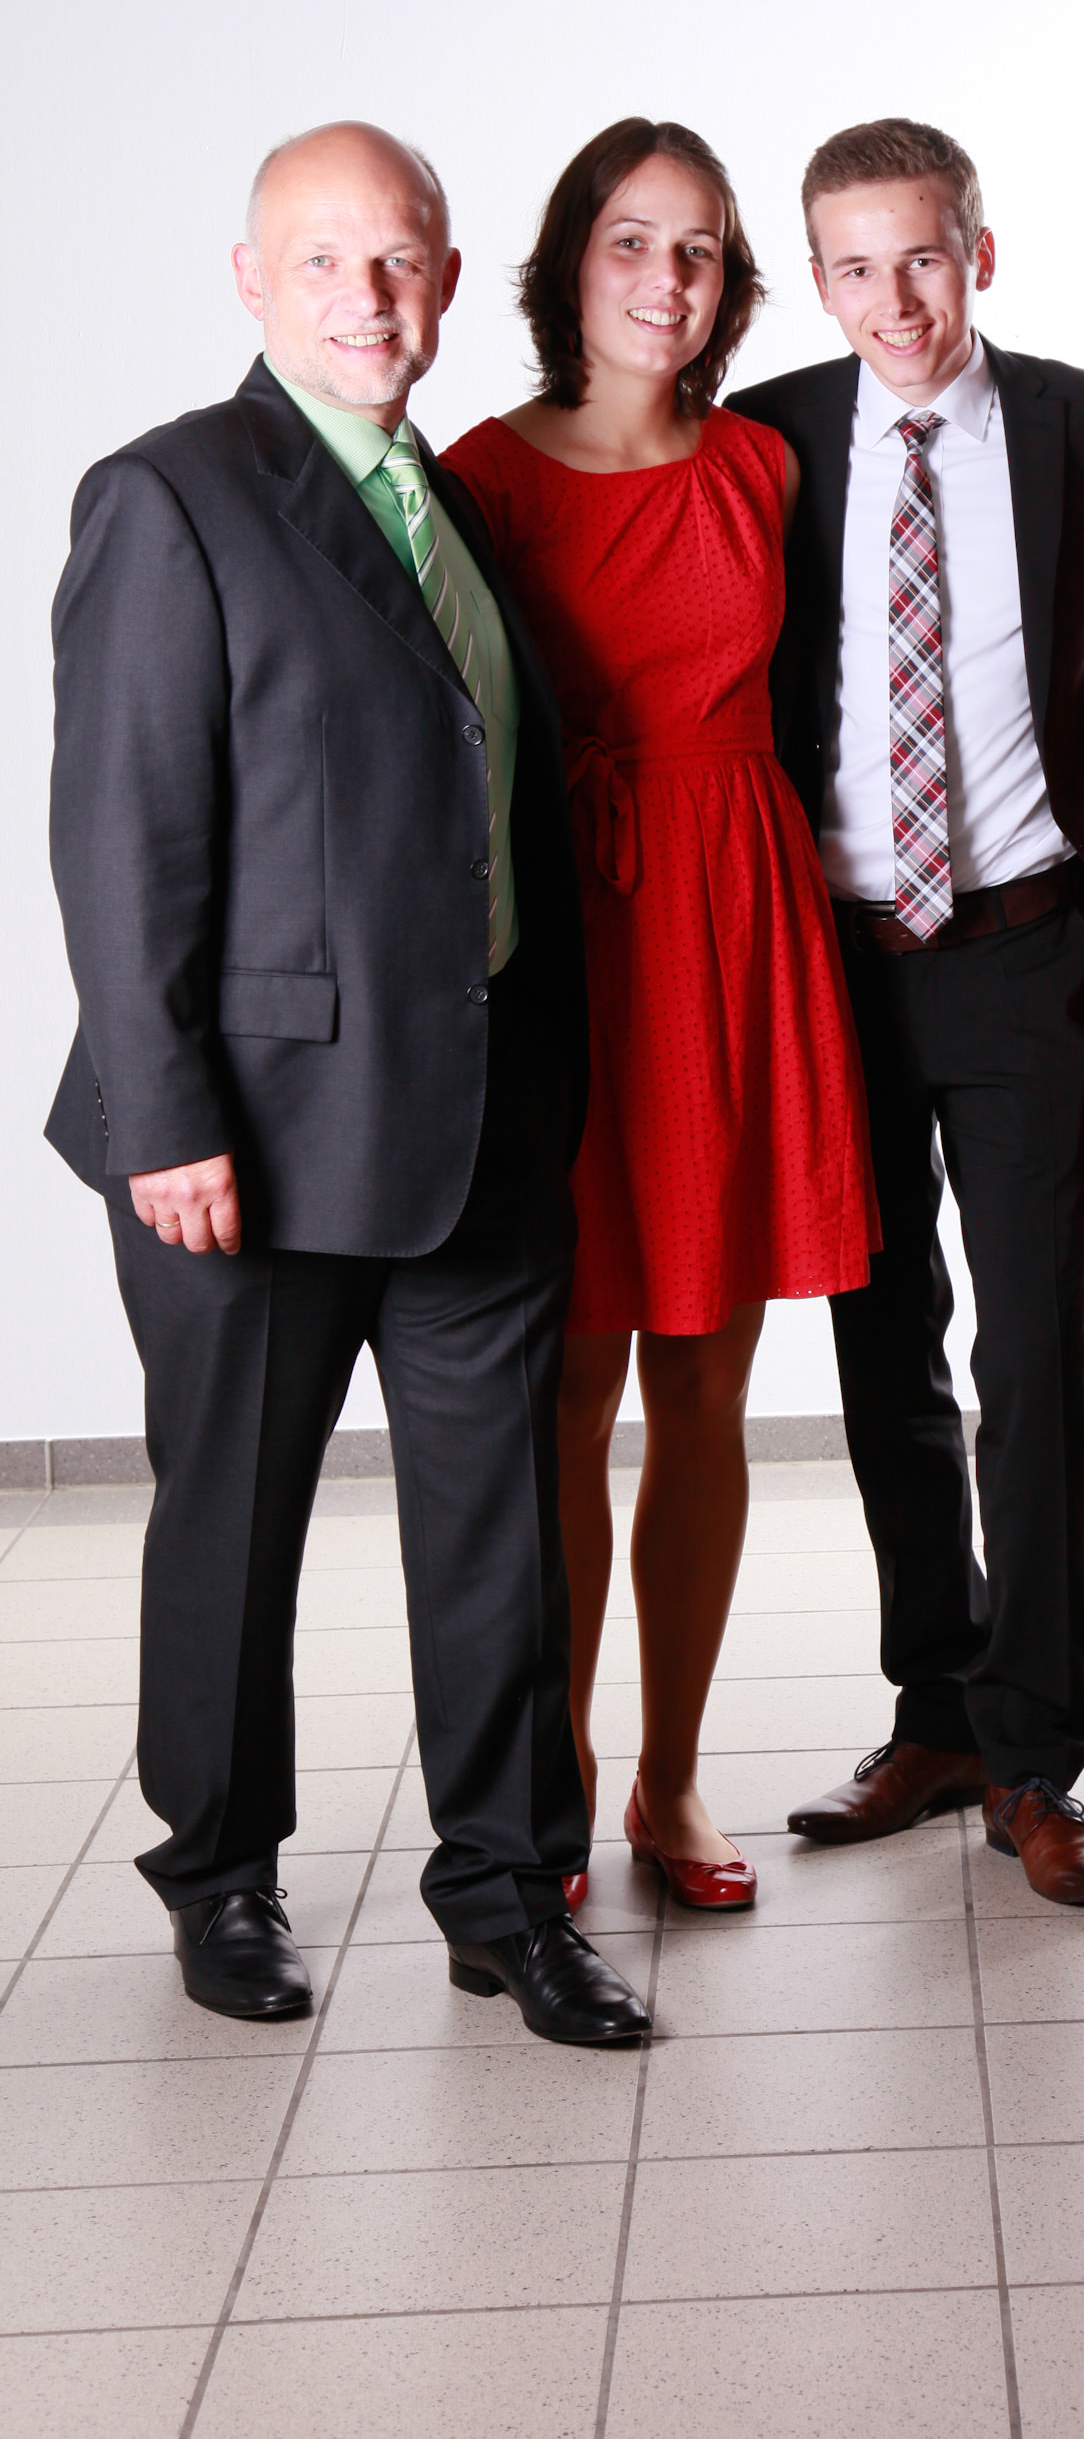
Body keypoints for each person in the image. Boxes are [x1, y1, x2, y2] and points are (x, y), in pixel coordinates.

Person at [45, 122, 647, 2045]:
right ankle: (220, 1878)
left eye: (398, 261)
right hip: (248, 1138)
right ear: (251, 280)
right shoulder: (172, 494)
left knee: (503, 1533)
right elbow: (123, 831)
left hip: (474, 1119)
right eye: (322, 261)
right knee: (233, 1526)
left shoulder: (445, 500)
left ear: (449, 280)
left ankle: (510, 1897)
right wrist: (166, 1120)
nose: (367, 298)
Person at [443, 118, 877, 1913]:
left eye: (697, 250)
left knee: (706, 1384)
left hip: (735, 925)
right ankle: (551, 1781)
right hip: (570, 939)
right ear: (572, 262)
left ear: (730, 284)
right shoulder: (481, 475)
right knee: (564, 1390)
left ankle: (674, 1780)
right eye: (633, 241)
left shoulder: (765, 464)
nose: (665, 279)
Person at [728, 119, 1084, 1907]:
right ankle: (940, 1711)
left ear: (980, 251)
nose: (893, 300)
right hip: (834, 961)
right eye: (854, 267)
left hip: (1021, 948)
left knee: (1032, 1354)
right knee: (881, 1347)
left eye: (922, 257)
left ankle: (1040, 1755)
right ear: (816, 280)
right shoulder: (767, 438)